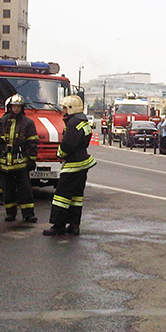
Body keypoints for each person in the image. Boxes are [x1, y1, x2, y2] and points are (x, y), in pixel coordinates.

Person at [43, 95, 96, 236]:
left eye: (65, 108)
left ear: (71, 109)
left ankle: (58, 226)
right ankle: (74, 225)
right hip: (82, 163)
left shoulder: (73, 123)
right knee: (76, 197)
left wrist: (60, 153)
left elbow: (67, 144)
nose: (62, 111)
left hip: (73, 164)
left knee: (61, 196)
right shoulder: (83, 122)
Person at [0, 94, 39, 223]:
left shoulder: (27, 123)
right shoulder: (2, 121)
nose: (16, 109)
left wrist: (31, 159)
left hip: (20, 164)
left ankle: (28, 214)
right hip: (4, 163)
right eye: (14, 106)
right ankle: (10, 213)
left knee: (25, 190)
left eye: (18, 107)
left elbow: (33, 142)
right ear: (9, 107)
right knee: (7, 191)